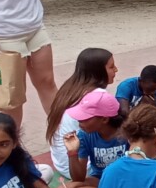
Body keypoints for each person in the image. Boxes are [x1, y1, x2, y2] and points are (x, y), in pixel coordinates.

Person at [46, 48, 118, 180]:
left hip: (61, 162)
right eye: (111, 67)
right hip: (80, 166)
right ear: (98, 71)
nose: (116, 70)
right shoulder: (97, 96)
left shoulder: (70, 87)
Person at [62, 91, 129, 188]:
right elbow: (78, 178)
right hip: (100, 180)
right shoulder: (84, 135)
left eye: (84, 119)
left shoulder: (127, 131)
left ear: (104, 119)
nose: (79, 123)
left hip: (126, 179)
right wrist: (72, 152)